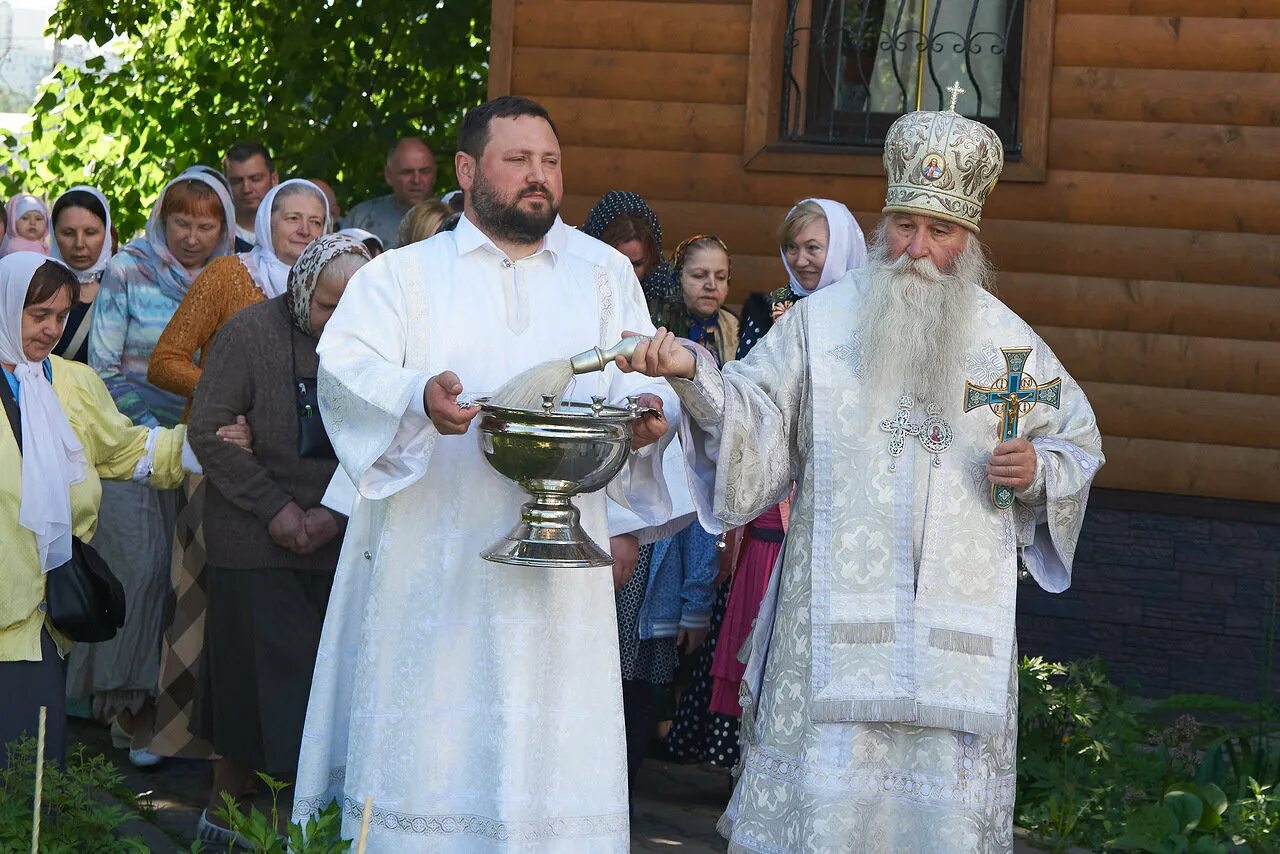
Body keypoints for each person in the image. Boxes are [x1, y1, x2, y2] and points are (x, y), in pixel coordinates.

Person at [616, 100, 1105, 852]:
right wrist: (695, 373)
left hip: (955, 655)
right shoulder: (822, 324)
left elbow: (1076, 442)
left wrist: (1038, 467)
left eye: (938, 232)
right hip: (828, 637)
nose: (915, 248)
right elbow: (755, 417)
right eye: (904, 225)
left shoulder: (1011, 345)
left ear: (966, 238)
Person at [292, 95, 679, 851]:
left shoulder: (603, 273)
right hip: (430, 561)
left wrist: (649, 413)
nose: (539, 177)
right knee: (431, 730)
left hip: (562, 572)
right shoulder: (400, 277)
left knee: (552, 736)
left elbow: (644, 370)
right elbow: (343, 369)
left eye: (550, 162)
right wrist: (415, 396)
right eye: (518, 159)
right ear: (468, 170)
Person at [0, 253, 244, 769]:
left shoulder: (71, 383)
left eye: (61, 316)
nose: (51, 329)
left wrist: (206, 444)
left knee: (32, 767)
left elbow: (124, 450)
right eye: (37, 315)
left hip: (42, 613)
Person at [187, 234, 368, 848]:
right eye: (326, 305)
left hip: (339, 535)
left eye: (353, 306)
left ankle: (299, 829)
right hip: (254, 536)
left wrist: (332, 515)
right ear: (300, 289)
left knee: (317, 698)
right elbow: (210, 431)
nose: (337, 320)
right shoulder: (247, 333)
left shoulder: (380, 346)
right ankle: (225, 821)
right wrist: (277, 509)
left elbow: (393, 438)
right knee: (250, 691)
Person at [73, 170, 235, 767]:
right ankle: (127, 708)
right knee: (139, 573)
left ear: (225, 228)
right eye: (181, 223)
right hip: (132, 450)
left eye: (206, 224)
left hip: (206, 450)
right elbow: (105, 367)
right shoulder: (127, 269)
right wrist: (160, 434)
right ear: (161, 221)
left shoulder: (230, 278)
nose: (192, 236)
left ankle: (167, 716)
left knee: (183, 585)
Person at [148, 179, 331, 402]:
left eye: (315, 222)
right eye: (293, 218)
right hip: (223, 426)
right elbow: (164, 361)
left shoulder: (332, 288)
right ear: (267, 222)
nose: (304, 230)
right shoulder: (226, 274)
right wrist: (223, 393)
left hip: (307, 431)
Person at [737, 198, 867, 357]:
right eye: (792, 247)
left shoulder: (868, 309)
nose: (800, 261)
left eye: (812, 248)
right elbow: (744, 377)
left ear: (840, 249)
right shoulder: (768, 310)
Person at [49, 187, 114, 363]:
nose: (79, 244)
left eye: (90, 233)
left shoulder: (123, 287)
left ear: (107, 233)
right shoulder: (38, 286)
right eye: (68, 233)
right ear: (54, 234)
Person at [654, 234, 738, 366]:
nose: (711, 285)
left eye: (721, 277)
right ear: (678, 277)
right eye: (699, 275)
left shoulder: (734, 326)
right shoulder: (656, 322)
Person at [581, 190, 676, 305]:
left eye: (637, 264)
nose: (628, 273)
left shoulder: (665, 296)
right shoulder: (576, 289)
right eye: (618, 263)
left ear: (651, 260)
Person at [340, 137, 436, 248]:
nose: (416, 180)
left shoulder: (452, 217)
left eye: (425, 171)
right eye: (407, 172)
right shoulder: (360, 218)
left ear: (434, 174)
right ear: (388, 175)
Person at [223, 142, 279, 252]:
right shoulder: (217, 236)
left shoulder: (296, 231)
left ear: (274, 180)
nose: (246, 189)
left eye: (255, 179)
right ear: (225, 185)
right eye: (236, 181)